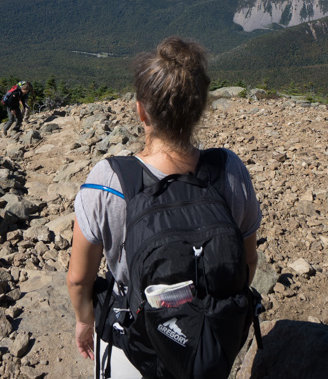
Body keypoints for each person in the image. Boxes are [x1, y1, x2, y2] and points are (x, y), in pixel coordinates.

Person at [66, 37, 261, 378]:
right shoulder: (230, 171)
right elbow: (247, 262)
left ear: (142, 110)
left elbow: (79, 279)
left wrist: (85, 321)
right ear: (201, 108)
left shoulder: (108, 180)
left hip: (135, 344)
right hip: (208, 346)